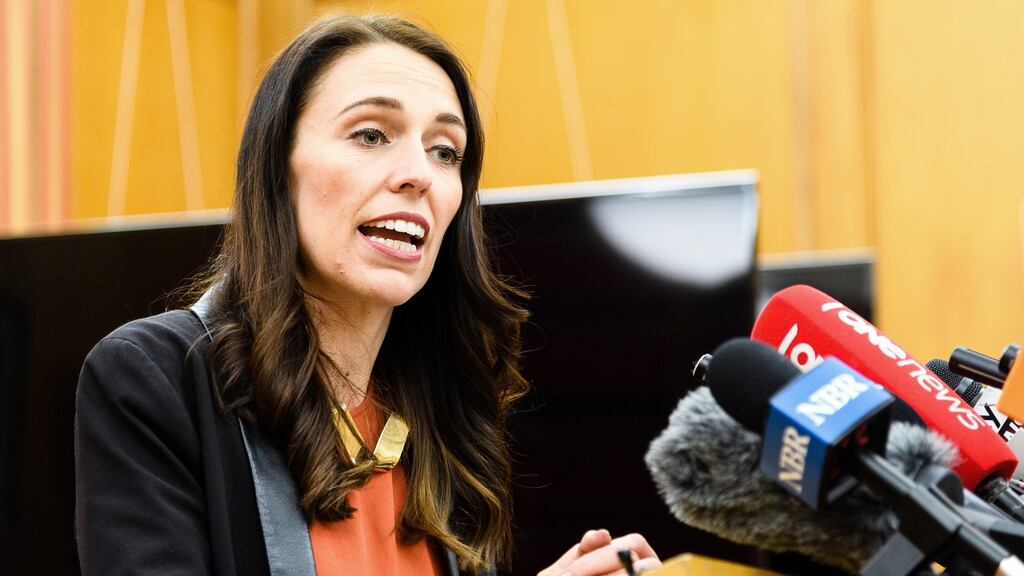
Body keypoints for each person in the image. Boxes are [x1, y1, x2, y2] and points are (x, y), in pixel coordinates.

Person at [74, 13, 661, 576]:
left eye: (445, 151)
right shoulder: (154, 376)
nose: (420, 174)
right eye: (371, 134)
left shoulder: (441, 400)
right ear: (278, 166)